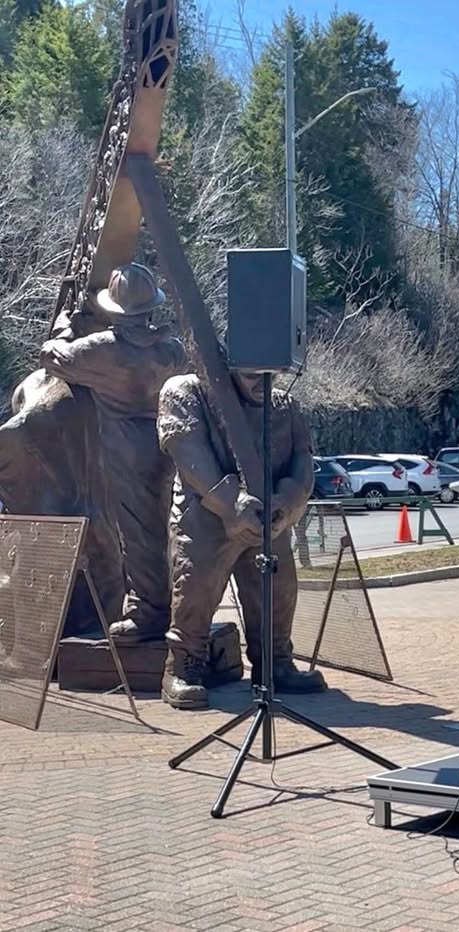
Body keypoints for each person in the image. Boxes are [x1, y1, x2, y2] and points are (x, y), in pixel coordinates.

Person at [156, 365, 326, 710]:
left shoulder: (285, 407)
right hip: (204, 516)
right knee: (195, 586)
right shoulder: (186, 392)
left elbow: (302, 462)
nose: (263, 383)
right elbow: (188, 453)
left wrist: (289, 502)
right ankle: (184, 666)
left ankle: (275, 662)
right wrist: (230, 502)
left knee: (278, 589)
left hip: (268, 517)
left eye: (271, 374)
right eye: (252, 375)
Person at [40, 263, 185, 642]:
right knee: (164, 528)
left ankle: (146, 613)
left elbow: (52, 357)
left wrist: (64, 326)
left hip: (123, 446)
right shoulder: (170, 349)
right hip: (164, 443)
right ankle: (168, 606)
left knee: (136, 531)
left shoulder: (102, 349)